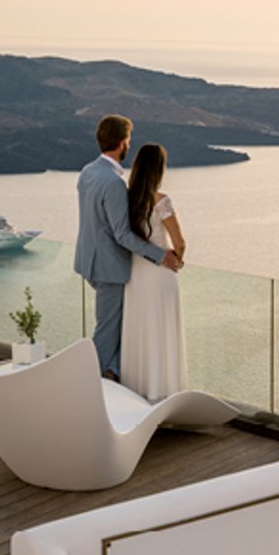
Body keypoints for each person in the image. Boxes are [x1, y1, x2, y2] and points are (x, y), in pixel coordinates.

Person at [74, 115, 180, 381]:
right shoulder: (113, 183)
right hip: (108, 266)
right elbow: (122, 234)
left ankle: (114, 373)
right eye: (129, 141)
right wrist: (160, 255)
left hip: (88, 260)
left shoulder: (88, 171)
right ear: (122, 144)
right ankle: (85, 383)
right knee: (108, 329)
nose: (129, 146)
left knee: (119, 323)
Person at [120, 143, 188, 402]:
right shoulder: (162, 201)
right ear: (159, 169)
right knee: (162, 331)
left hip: (136, 273)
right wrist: (178, 261)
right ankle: (164, 394)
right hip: (160, 275)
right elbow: (179, 242)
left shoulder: (127, 199)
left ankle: (138, 393)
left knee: (140, 329)